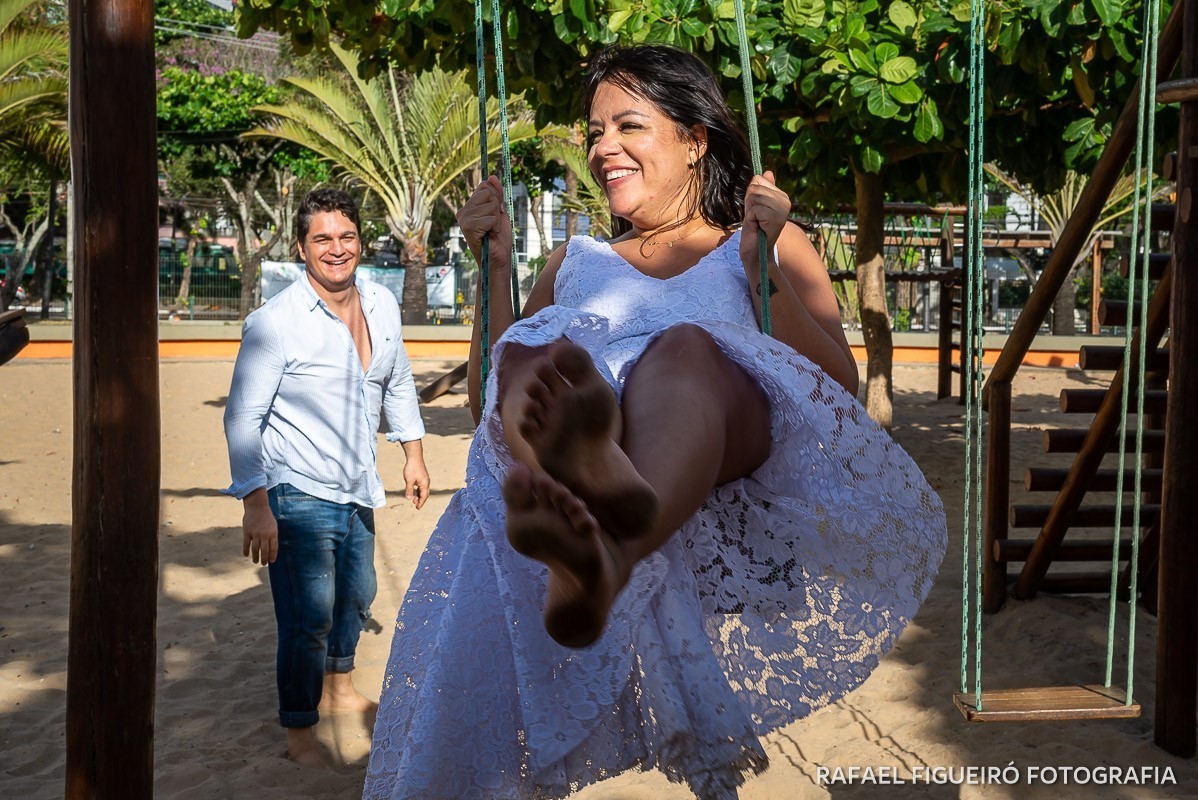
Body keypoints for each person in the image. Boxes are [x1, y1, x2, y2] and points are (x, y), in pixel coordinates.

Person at [365, 45, 945, 799]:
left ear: (695, 138)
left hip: (722, 441)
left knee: (682, 350)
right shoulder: (574, 261)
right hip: (588, 445)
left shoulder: (755, 243)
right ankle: (598, 471)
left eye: (627, 126)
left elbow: (835, 391)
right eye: (594, 132)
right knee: (534, 354)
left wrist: (762, 266)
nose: (602, 147)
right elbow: (489, 408)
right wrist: (496, 270)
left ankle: (614, 524)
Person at [223, 187, 431, 768]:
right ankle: (299, 733)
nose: (336, 249)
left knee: (357, 598)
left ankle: (338, 690)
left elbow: (397, 379)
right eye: (322, 239)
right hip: (296, 489)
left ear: (360, 241)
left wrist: (412, 454)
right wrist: (255, 505)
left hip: (358, 484)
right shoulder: (274, 322)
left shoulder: (381, 303)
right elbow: (242, 417)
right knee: (307, 616)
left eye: (346, 236)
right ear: (301, 247)